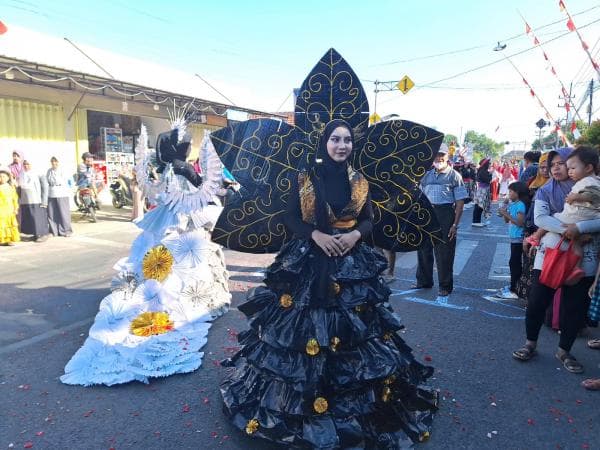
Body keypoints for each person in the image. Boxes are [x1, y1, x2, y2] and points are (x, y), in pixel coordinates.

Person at [220, 120, 438, 448]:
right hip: (309, 261)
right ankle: (304, 402)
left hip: (351, 263)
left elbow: (368, 219)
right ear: (325, 142)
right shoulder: (304, 178)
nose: (341, 145)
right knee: (303, 331)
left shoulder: (360, 181)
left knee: (355, 331)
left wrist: (353, 235)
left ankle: (350, 401)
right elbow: (289, 217)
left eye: (347, 140)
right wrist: (316, 235)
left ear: (353, 145)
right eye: (335, 139)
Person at [61, 126, 230, 386]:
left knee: (158, 270)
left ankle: (159, 297)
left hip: (166, 232)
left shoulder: (164, 169)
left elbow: (165, 195)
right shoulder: (179, 169)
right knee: (175, 278)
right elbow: (201, 199)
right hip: (180, 231)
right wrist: (195, 178)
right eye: (185, 143)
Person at [512, 147, 600, 374]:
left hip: (584, 256)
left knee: (574, 307)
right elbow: (541, 218)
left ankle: (564, 350)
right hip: (551, 252)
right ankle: (530, 343)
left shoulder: (593, 187)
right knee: (537, 302)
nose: (558, 168)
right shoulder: (545, 191)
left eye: (564, 163)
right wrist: (570, 230)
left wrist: (580, 227)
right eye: (554, 164)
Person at [413, 146, 468, 298]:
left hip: (445, 214)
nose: (439, 158)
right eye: (436, 155)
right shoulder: (426, 175)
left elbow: (460, 203)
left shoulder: (454, 176)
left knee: (445, 251)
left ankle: (445, 286)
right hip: (427, 213)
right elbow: (418, 195)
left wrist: (455, 225)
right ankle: (424, 280)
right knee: (423, 247)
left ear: (448, 157)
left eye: (442, 155)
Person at [496, 181, 529, 299]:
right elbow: (506, 220)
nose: (509, 194)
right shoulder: (513, 204)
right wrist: (504, 210)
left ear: (518, 192)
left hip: (519, 238)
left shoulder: (521, 205)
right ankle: (513, 286)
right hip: (513, 237)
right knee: (513, 262)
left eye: (511, 191)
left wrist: (507, 213)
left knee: (514, 263)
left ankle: (515, 289)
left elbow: (520, 223)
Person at [17, 160, 49, 243]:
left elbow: (45, 187)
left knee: (38, 218)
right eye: (24, 164)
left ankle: (42, 234)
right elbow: (19, 188)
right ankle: (34, 234)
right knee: (30, 218)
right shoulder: (21, 174)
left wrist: (44, 201)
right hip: (25, 200)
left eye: (28, 164)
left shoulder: (38, 173)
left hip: (36, 200)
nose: (26, 166)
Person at [46, 157, 73, 237]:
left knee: (63, 213)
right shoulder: (49, 171)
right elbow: (48, 180)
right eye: (52, 161)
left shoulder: (63, 170)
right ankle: (53, 231)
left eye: (56, 161)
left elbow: (67, 181)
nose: (54, 163)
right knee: (52, 213)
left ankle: (66, 230)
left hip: (62, 193)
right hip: (51, 192)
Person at [0, 167, 19, 246]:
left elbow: (15, 198)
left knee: (10, 224)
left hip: (9, 209)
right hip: (1, 209)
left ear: (8, 178)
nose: (1, 178)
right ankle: (2, 239)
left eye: (3, 176)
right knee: (2, 224)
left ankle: (10, 239)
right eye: (0, 176)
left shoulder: (11, 187)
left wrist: (15, 208)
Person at [472, 158, 492, 226]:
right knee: (479, 206)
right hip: (482, 190)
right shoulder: (483, 172)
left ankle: (477, 221)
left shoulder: (483, 171)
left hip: (483, 189)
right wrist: (491, 174)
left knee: (480, 206)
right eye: (489, 163)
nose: (490, 164)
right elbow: (488, 180)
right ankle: (475, 221)